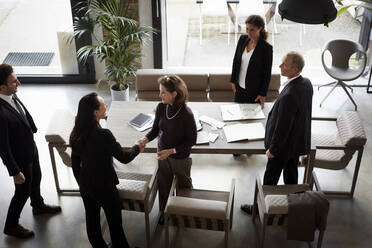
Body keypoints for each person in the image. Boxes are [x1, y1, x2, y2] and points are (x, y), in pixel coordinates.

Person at [241, 52, 313, 214]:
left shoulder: (289, 95)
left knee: (270, 179)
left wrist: (273, 149)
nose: (280, 66)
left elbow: (282, 126)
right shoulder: (306, 84)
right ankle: (294, 208)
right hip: (295, 143)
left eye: (284, 65)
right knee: (291, 175)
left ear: (295, 69)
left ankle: (259, 208)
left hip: (281, 147)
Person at [70, 93, 144, 248]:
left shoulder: (76, 131)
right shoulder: (104, 134)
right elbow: (124, 158)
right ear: (95, 112)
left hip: (86, 184)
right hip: (104, 187)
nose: (105, 105)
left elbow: (75, 162)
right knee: (115, 225)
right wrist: (138, 147)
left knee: (92, 223)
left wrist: (82, 184)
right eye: (103, 104)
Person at [0, 64, 61, 239]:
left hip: (29, 147)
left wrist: (31, 129)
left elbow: (21, 113)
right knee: (22, 191)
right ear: (2, 87)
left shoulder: (10, 95)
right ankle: (11, 225)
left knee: (37, 177)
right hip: (19, 158)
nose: (18, 82)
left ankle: (38, 205)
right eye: (13, 81)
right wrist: (15, 171)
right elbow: (3, 147)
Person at [138, 75, 197, 225]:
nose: (160, 95)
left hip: (179, 156)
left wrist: (171, 151)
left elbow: (191, 141)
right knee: (163, 184)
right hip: (162, 153)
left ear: (174, 94)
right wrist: (145, 139)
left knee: (183, 185)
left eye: (163, 92)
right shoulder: (161, 107)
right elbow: (155, 129)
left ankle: (183, 212)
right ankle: (164, 212)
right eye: (160, 92)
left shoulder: (187, 114)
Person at [230, 15, 273, 109]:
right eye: (247, 29)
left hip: (254, 91)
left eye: (252, 30)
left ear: (260, 28)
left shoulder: (266, 48)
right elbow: (236, 61)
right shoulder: (242, 39)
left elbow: (267, 73)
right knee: (238, 115)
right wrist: (233, 80)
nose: (248, 32)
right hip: (239, 88)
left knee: (252, 120)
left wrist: (263, 93)